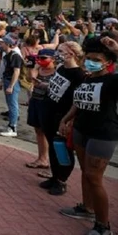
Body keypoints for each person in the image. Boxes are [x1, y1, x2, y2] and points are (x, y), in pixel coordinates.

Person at [59, 37, 118, 235]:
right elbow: (78, 102)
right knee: (85, 172)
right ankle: (87, 208)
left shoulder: (112, 81)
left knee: (95, 177)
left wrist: (117, 50)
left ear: (108, 62)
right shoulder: (88, 78)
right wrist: (65, 119)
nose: (90, 62)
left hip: (102, 134)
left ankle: (103, 226)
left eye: (96, 59)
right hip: (81, 130)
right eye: (88, 58)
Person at [39, 41, 85, 196]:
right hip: (49, 111)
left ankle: (62, 180)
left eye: (60, 51)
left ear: (71, 53)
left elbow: (77, 100)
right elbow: (55, 86)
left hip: (63, 116)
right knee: (52, 146)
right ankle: (54, 176)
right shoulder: (60, 68)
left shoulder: (79, 75)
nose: (57, 54)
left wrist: (68, 120)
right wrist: (44, 85)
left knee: (62, 148)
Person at [0, 34, 23, 137]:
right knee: (10, 103)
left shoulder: (15, 56)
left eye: (2, 43)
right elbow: (6, 71)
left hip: (12, 82)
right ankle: (10, 125)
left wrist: (11, 86)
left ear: (7, 44)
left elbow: (16, 72)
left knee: (13, 105)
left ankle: (13, 127)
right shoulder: (8, 55)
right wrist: (2, 82)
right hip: (8, 81)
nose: (0, 44)